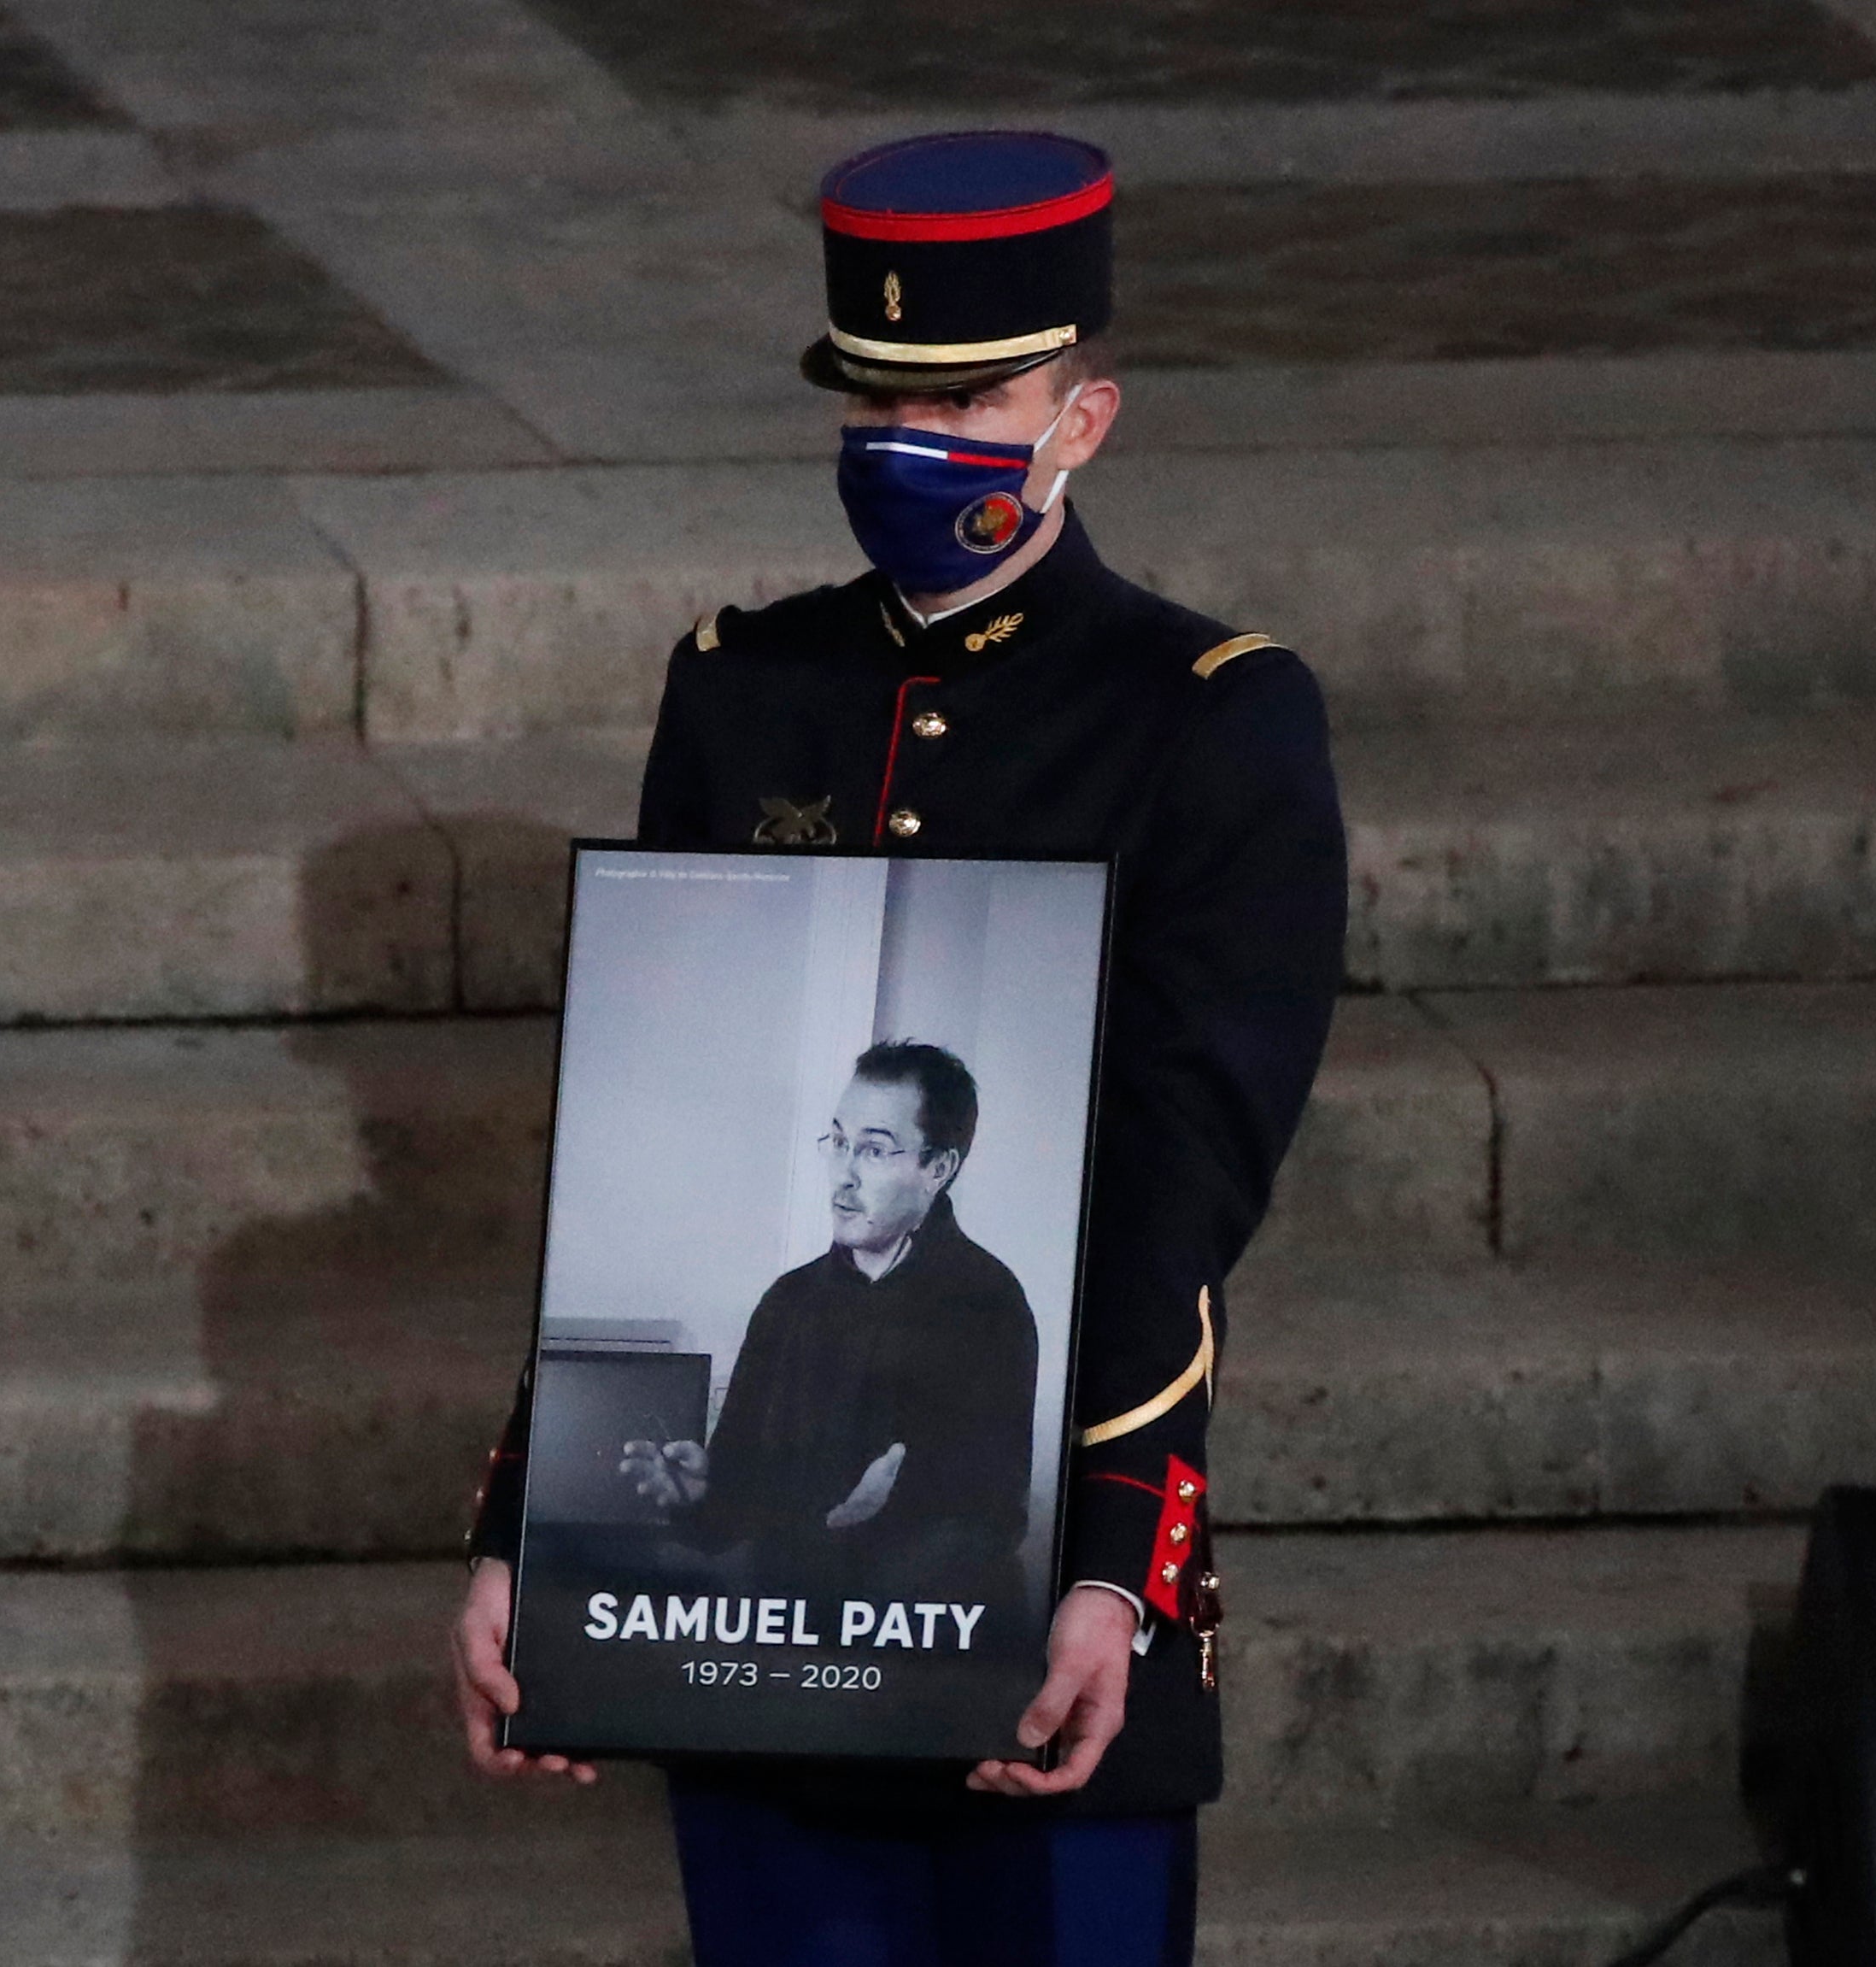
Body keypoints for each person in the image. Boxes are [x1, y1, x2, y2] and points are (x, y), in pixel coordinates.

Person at [454, 127, 1347, 1967]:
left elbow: (1185, 1180)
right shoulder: (741, 685)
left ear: (1082, 417)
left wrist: (1115, 1563)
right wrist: (523, 1528)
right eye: (875, 391)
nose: (907, 435)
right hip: (762, 1671)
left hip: (1039, 1608)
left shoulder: (1210, 721)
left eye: (969, 394)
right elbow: (624, 1106)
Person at [618, 1042, 1039, 1612]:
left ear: (937, 1169)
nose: (842, 1176)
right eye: (839, 1142)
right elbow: (735, 1505)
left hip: (910, 1656)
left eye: (872, 1150)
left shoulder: (986, 1303)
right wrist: (699, 1496)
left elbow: (993, 1522)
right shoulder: (788, 1300)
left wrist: (882, 1511)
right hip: (781, 1632)